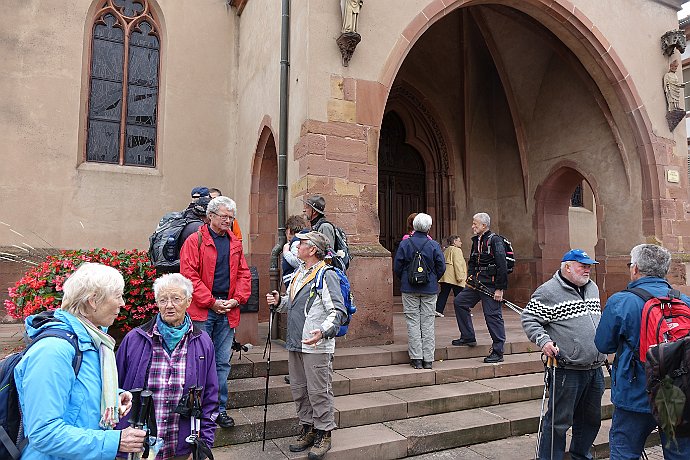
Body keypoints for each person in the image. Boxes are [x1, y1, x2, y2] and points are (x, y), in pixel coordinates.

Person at [14, 262, 146, 459]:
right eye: (118, 296)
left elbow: (77, 396)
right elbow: (44, 433)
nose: (123, 304)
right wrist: (115, 441)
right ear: (93, 301)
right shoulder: (53, 351)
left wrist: (112, 395)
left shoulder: (92, 342)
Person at [595, 244, 690, 458]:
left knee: (625, 452)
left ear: (635, 268)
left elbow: (603, 345)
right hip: (678, 394)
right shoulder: (684, 301)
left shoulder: (621, 301)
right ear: (664, 270)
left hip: (635, 392)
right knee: (680, 454)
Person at [116, 273, 219, 460]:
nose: (169, 305)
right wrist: (117, 438)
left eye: (176, 299)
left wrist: (203, 443)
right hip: (138, 446)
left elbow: (210, 397)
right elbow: (114, 391)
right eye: (163, 300)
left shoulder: (203, 342)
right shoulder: (134, 339)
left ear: (189, 301)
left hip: (182, 448)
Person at [266, 231, 347, 460]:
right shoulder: (301, 272)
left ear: (312, 249)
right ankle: (308, 428)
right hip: (297, 342)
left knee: (319, 392)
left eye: (300, 243)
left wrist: (322, 332)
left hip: (316, 345)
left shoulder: (326, 274)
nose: (295, 246)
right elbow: (294, 305)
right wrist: (279, 301)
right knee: (300, 390)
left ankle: (324, 433)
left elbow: (337, 312)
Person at [521, 249, 606, 460]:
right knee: (558, 422)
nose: (587, 270)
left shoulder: (592, 288)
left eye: (589, 266)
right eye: (582, 266)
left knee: (590, 421)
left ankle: (580, 455)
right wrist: (544, 341)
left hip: (595, 368)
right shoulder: (548, 291)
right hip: (567, 369)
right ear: (567, 266)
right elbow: (529, 319)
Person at [180, 196, 251, 429]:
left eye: (231, 217)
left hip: (227, 310)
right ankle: (197, 407)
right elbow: (189, 276)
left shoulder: (235, 243)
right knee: (198, 360)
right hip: (203, 311)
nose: (228, 221)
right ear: (210, 216)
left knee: (222, 363)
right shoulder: (195, 240)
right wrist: (211, 302)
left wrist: (236, 300)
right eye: (224, 217)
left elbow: (244, 275)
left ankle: (219, 410)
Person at [452, 212, 508, 363]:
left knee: (493, 317)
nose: (472, 226)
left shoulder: (495, 240)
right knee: (459, 302)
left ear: (484, 225)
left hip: (491, 286)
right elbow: (472, 262)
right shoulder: (476, 240)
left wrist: (500, 289)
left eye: (475, 224)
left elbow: (502, 265)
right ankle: (468, 337)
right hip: (476, 284)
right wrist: (469, 278)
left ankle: (498, 351)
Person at [393, 213, 445, 369]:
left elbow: (397, 266)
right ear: (429, 227)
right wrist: (433, 279)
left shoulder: (405, 244)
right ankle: (428, 359)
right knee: (428, 323)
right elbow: (441, 266)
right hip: (429, 289)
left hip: (409, 288)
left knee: (412, 322)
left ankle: (416, 358)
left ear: (414, 226)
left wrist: (404, 279)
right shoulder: (434, 245)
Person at [435, 235, 467, 318]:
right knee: (460, 295)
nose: (461, 243)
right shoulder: (457, 250)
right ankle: (463, 311)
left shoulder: (446, 250)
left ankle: (438, 310)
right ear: (455, 242)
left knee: (444, 294)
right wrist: (460, 276)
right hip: (454, 277)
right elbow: (458, 264)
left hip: (446, 277)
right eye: (459, 241)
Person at [282, 215, 308, 288]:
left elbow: (298, 261)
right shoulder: (304, 238)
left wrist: (286, 253)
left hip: (294, 280)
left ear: (289, 230)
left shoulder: (296, 242)